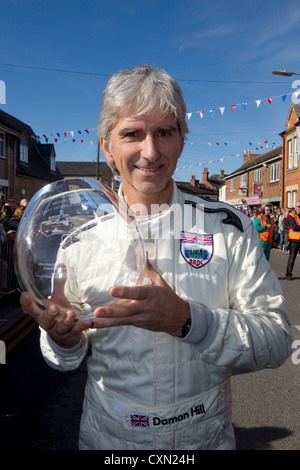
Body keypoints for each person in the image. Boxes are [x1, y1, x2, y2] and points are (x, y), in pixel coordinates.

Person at [20, 65, 293, 451]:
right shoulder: (78, 244)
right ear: (107, 146)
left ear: (182, 140)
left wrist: (188, 321)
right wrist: (61, 339)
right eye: (132, 133)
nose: (150, 151)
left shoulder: (229, 229)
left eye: (164, 132)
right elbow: (65, 359)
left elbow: (278, 339)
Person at [286, 201, 300, 280]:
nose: (299, 208)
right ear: (295, 207)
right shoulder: (291, 216)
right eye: (298, 206)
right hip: (294, 240)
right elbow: (294, 227)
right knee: (292, 258)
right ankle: (288, 274)